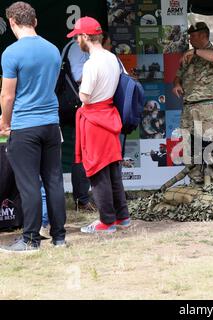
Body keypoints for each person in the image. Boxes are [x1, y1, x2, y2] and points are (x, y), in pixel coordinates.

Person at [0, 2, 66, 252]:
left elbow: (7, 96)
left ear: (13, 23)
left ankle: (30, 240)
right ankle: (59, 238)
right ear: (35, 22)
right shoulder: (53, 49)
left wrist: (5, 122)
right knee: (54, 181)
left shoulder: (11, 52)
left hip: (25, 125)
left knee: (28, 184)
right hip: (51, 124)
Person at [68, 16, 131, 233]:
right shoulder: (112, 57)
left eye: (77, 37)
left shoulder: (92, 63)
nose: (77, 41)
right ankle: (122, 216)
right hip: (110, 117)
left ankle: (106, 221)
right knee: (113, 170)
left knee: (97, 172)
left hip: (95, 120)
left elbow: (84, 96)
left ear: (86, 36)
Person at [172, 21, 213, 184]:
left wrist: (196, 51)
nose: (189, 39)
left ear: (203, 35)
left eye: (193, 36)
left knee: (212, 147)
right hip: (189, 108)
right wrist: (176, 84)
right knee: (190, 147)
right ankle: (196, 182)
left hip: (207, 107)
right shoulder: (188, 56)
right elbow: (178, 75)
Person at [60, 34, 97, 212]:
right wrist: (100, 74)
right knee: (82, 152)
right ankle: (82, 199)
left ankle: (85, 197)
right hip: (78, 105)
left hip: (85, 105)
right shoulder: (75, 47)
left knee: (87, 150)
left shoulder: (80, 48)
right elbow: (77, 76)